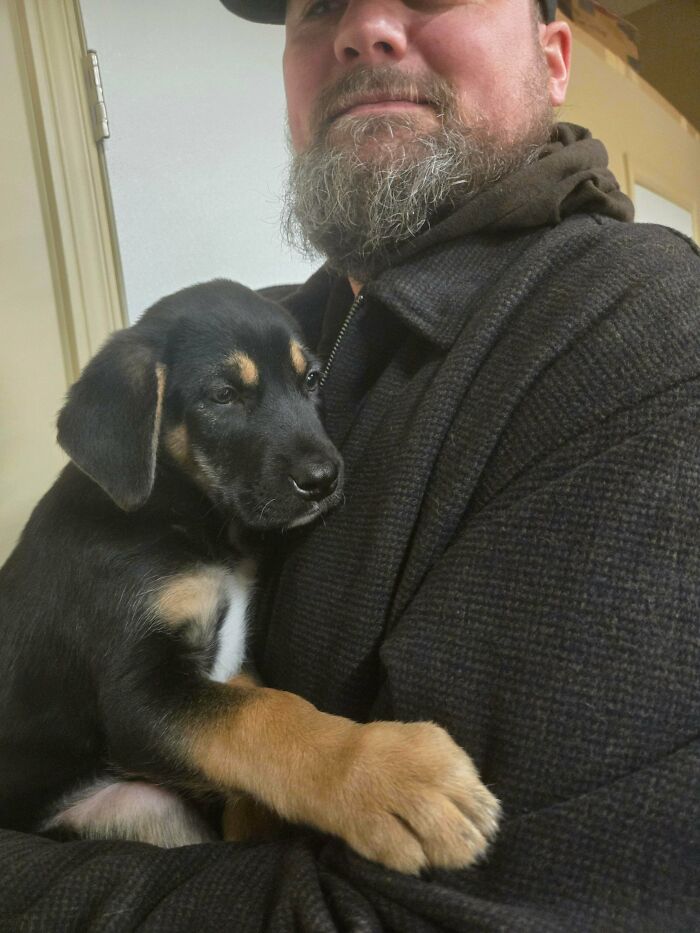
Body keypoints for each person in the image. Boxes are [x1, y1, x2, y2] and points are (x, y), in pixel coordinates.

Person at [1, 0, 698, 929]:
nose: (364, 27)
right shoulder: (277, 319)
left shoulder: (641, 335)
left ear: (556, 56)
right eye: (319, 4)